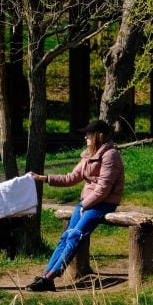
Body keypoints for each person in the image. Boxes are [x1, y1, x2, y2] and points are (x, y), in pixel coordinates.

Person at [25, 119, 124, 291]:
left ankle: (51, 278)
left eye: (89, 134)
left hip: (104, 204)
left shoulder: (111, 156)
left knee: (75, 236)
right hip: (87, 203)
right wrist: (45, 178)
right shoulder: (89, 154)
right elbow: (71, 177)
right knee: (66, 237)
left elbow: (103, 189)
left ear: (98, 136)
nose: (86, 136)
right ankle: (46, 275)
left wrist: (84, 205)